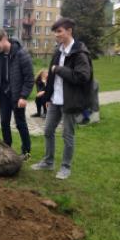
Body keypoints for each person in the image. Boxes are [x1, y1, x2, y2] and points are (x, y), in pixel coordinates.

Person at [31, 18, 93, 180]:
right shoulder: (58, 51)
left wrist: (59, 69)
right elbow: (51, 77)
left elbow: (82, 76)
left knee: (67, 135)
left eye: (59, 31)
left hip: (70, 101)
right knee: (48, 131)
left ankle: (65, 167)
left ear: (69, 31)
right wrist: (47, 95)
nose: (56, 35)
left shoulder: (79, 53)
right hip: (54, 100)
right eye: (55, 32)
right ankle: (48, 162)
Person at [0, 29, 34, 160]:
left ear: (4, 39)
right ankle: (7, 150)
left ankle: (26, 151)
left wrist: (24, 96)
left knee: (20, 123)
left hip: (17, 96)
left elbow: (29, 78)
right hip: (4, 95)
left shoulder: (21, 54)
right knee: (4, 122)